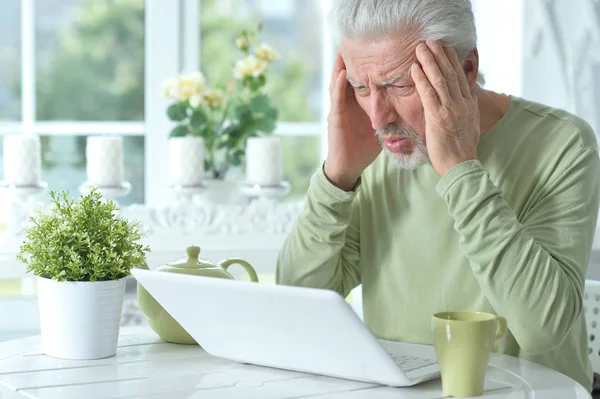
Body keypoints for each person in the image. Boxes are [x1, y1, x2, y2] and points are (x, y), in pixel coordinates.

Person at [275, 0, 600, 391]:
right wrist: (337, 178)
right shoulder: (371, 149)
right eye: (361, 87)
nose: (378, 118)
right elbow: (298, 306)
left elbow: (543, 329)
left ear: (465, 69)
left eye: (399, 84)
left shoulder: (563, 144)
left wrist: (460, 167)